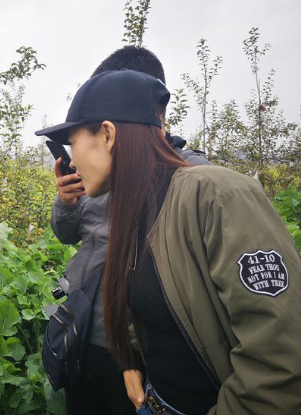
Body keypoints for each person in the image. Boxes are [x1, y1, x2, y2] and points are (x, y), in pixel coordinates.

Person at [36, 69, 301, 414]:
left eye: (74, 143)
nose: (71, 160)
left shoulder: (216, 195)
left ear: (107, 135)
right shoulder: (137, 205)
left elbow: (280, 360)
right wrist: (129, 359)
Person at [48, 47, 209, 415]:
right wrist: (66, 202)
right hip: (89, 326)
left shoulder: (192, 178)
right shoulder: (93, 170)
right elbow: (67, 235)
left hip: (148, 343)